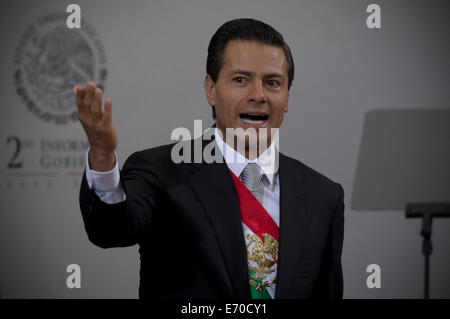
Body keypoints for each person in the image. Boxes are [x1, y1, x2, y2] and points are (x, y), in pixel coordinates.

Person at [75, 18, 345, 299]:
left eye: (273, 83)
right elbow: (111, 230)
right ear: (211, 90)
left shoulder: (323, 196)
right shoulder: (161, 172)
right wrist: (103, 156)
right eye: (240, 80)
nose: (258, 95)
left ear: (287, 97)